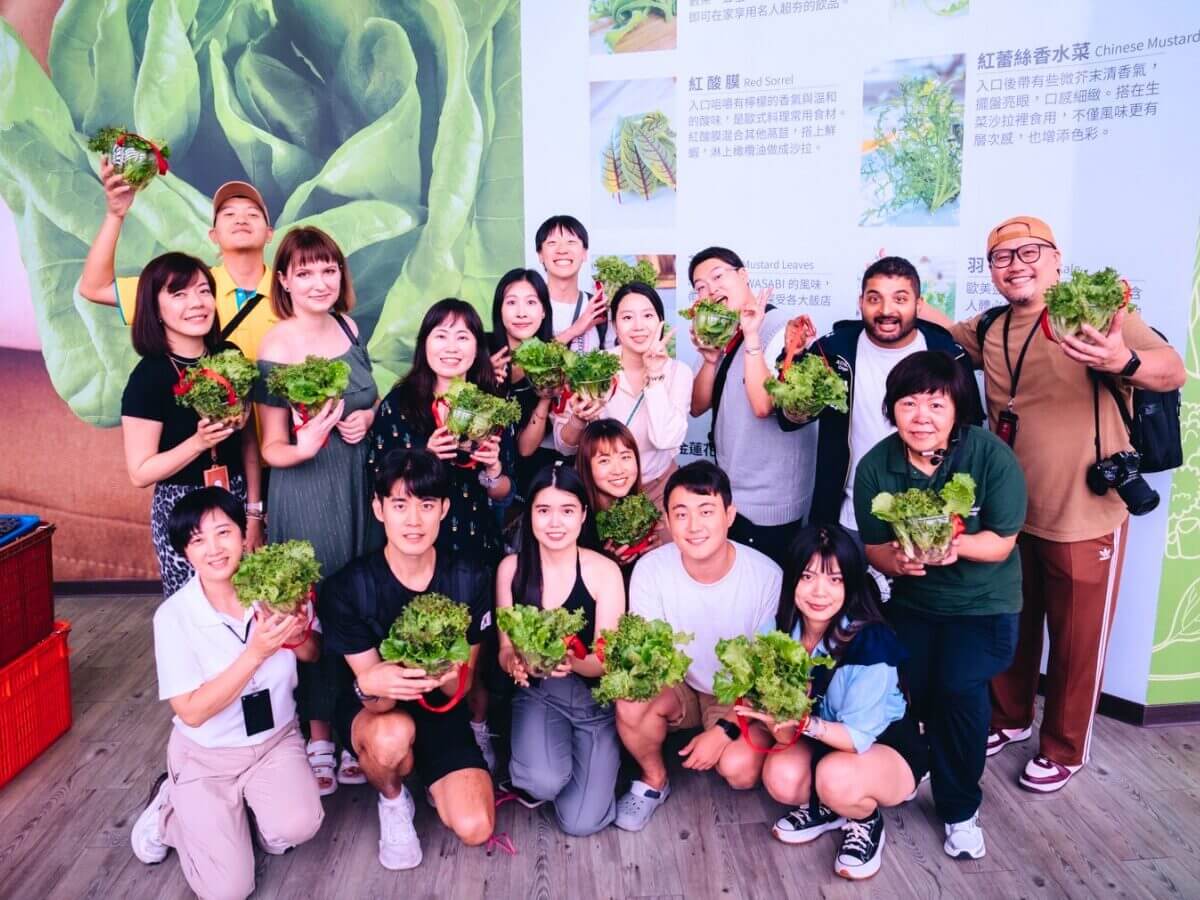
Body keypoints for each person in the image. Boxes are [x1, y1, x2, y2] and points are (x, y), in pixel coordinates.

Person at [919, 216, 1186, 794]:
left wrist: (1124, 362)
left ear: (1056, 258)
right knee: (1011, 630)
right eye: (1002, 257)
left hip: (1084, 515)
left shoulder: (1093, 314)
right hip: (1012, 518)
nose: (1016, 264)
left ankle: (1066, 746)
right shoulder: (989, 326)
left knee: (1077, 643)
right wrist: (903, 292)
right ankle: (1011, 718)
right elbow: (940, 323)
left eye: (1029, 252)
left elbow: (1172, 370)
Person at [853, 351, 1028, 860]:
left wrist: (955, 546)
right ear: (891, 410)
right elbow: (874, 547)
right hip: (915, 601)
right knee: (905, 690)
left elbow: (1002, 540)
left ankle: (960, 807)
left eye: (936, 403)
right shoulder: (876, 466)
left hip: (983, 606)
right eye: (908, 403)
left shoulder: (990, 456)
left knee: (958, 687)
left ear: (957, 409)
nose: (921, 416)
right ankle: (906, 774)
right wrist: (897, 563)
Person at [131, 488, 323, 900]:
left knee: (297, 826)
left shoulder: (276, 587)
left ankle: (244, 817)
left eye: (224, 532)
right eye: (198, 540)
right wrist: (256, 654)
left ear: (246, 534)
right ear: (185, 552)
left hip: (276, 741)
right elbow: (193, 712)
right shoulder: (174, 617)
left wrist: (297, 629)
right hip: (207, 754)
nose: (215, 549)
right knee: (229, 890)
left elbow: (312, 653)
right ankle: (169, 813)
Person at [319, 450, 496, 870]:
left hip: (442, 709)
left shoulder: (470, 578)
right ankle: (393, 799)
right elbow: (372, 697)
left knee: (476, 826)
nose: (413, 520)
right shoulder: (348, 587)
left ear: (444, 510)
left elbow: (460, 689)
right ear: (379, 509)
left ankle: (435, 778)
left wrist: (448, 673)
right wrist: (372, 684)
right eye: (400, 505)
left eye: (426, 505)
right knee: (390, 738)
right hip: (378, 708)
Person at [254, 226, 379, 795]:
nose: (319, 281)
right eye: (304, 271)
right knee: (316, 609)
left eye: (328, 269)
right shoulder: (275, 346)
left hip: (360, 485)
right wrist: (305, 447)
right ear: (283, 280)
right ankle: (320, 735)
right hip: (306, 490)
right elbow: (270, 446)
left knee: (361, 605)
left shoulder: (351, 328)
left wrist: (366, 418)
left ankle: (361, 729)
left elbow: (368, 398)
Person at [753, 524, 927, 881]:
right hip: (820, 738)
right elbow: (785, 737)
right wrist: (775, 719)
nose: (819, 592)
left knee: (835, 777)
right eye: (807, 577)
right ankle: (830, 809)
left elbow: (856, 738)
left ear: (851, 585)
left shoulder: (870, 643)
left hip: (881, 744)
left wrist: (801, 722)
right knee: (780, 778)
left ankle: (865, 819)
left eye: (834, 580)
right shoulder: (779, 630)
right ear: (792, 581)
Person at [614, 461, 781, 831]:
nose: (694, 526)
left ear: (729, 515)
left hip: (739, 694)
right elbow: (645, 658)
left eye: (706, 511)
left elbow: (771, 678)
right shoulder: (651, 569)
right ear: (668, 523)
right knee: (630, 696)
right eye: (681, 514)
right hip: (681, 684)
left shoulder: (766, 576)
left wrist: (724, 730)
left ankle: (718, 740)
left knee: (739, 770)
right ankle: (654, 779)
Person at [777, 257, 979, 536]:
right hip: (849, 519)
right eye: (875, 299)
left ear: (918, 305)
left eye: (900, 299)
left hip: (928, 521)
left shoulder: (950, 355)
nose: (886, 310)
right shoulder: (832, 351)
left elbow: (971, 433)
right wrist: (792, 356)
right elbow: (789, 420)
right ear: (861, 303)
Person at [120, 252, 263, 596]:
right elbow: (140, 472)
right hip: (181, 512)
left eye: (203, 291)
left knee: (249, 606)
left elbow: (248, 443)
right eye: (179, 294)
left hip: (236, 497)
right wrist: (197, 443)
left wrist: (255, 513)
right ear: (154, 308)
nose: (197, 303)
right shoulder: (148, 377)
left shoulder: (228, 357)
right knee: (197, 617)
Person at [497, 463, 625, 835]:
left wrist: (568, 658)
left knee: (581, 823)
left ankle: (592, 762)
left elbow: (604, 663)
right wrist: (517, 665)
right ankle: (541, 762)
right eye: (543, 510)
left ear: (584, 515)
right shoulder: (512, 569)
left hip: (592, 706)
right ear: (530, 515)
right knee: (542, 782)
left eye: (567, 510)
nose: (555, 523)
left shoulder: (603, 571)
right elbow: (506, 649)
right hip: (538, 696)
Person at [687, 247, 817, 567]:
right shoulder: (723, 333)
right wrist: (710, 358)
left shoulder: (782, 329)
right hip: (733, 500)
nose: (710, 289)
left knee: (767, 602)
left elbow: (763, 406)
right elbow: (696, 406)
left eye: (718, 276)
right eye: (700, 286)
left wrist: (752, 336)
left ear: (743, 275)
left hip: (770, 505)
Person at [369, 298, 516, 567]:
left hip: (477, 545)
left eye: (462, 337)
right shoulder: (398, 404)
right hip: (414, 547)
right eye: (440, 336)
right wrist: (424, 456)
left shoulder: (492, 405)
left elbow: (504, 493)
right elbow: (378, 479)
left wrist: (493, 469)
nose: (451, 348)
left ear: (477, 349)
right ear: (425, 344)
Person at [80, 177, 278, 360]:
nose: (241, 220)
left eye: (252, 214)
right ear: (213, 235)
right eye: (229, 214)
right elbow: (94, 288)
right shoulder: (187, 287)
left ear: (270, 234)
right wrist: (115, 215)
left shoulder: (294, 289)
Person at [555, 282, 692, 513]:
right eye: (627, 317)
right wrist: (578, 419)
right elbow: (564, 447)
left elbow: (665, 440)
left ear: (660, 321)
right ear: (615, 326)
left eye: (648, 315)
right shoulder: (593, 367)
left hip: (656, 490)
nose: (638, 326)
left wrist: (655, 375)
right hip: (600, 493)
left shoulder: (679, 372)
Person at [487, 267, 564, 494]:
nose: (521, 313)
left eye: (531, 303)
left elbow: (525, 448)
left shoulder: (550, 365)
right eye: (511, 303)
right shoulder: (479, 348)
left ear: (543, 311)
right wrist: (481, 377)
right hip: (471, 475)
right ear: (499, 310)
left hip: (516, 483)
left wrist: (545, 399)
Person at [575, 418, 664, 568]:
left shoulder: (641, 513)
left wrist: (650, 551)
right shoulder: (576, 519)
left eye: (625, 457)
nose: (618, 470)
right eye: (604, 461)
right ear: (587, 466)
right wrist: (605, 562)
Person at [535, 214, 612, 352]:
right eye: (552, 243)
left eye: (571, 242)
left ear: (584, 253)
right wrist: (574, 330)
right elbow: (518, 369)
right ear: (540, 255)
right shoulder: (529, 305)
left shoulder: (597, 306)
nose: (562, 250)